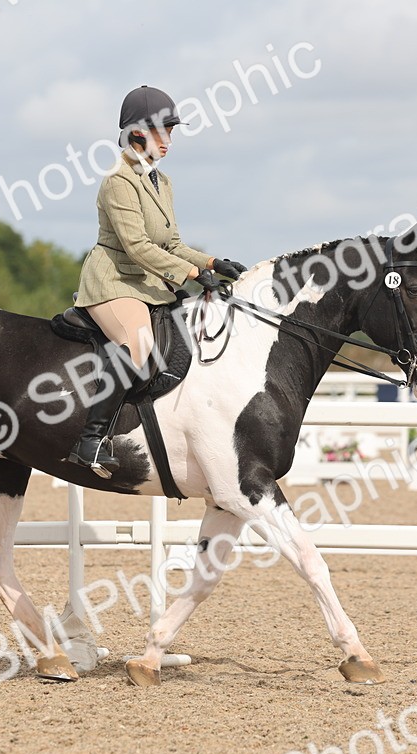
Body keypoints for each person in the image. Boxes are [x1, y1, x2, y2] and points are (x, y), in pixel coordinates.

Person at [66, 85, 247, 476]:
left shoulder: (162, 182)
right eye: (162, 130)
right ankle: (91, 441)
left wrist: (213, 263)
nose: (169, 140)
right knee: (138, 344)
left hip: (147, 284)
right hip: (114, 282)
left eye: (171, 131)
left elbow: (173, 244)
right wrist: (193, 274)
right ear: (137, 133)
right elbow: (136, 246)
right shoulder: (118, 180)